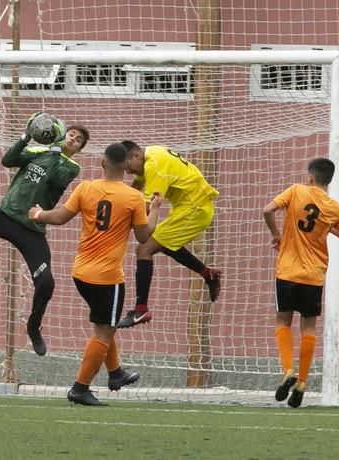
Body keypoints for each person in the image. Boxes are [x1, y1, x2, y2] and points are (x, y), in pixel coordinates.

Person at [29, 143, 160, 406]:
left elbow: (61, 217)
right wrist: (155, 209)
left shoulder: (86, 187)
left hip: (81, 273)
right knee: (104, 332)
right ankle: (80, 388)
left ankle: (115, 373)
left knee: (104, 324)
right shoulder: (133, 198)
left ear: (102, 163)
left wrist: (38, 213)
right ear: (126, 166)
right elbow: (144, 237)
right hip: (108, 277)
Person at [0, 113, 89, 356]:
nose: (73, 139)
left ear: (79, 149)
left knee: (46, 281)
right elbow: (8, 160)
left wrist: (54, 150)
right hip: (5, 214)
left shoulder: (70, 166)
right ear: (62, 133)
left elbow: (53, 179)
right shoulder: (40, 152)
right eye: (71, 134)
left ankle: (33, 326)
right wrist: (26, 136)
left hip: (32, 228)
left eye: (78, 140)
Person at [263, 158, 339, 408]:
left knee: (283, 321)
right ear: (330, 179)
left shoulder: (296, 191)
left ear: (311, 177)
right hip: (313, 275)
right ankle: (302, 382)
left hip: (287, 272)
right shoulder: (333, 208)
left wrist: (276, 234)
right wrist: (329, 229)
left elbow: (267, 210)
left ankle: (287, 370)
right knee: (309, 328)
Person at [116, 141, 221, 328]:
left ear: (136, 157)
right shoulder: (151, 154)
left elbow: (147, 207)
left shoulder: (154, 165)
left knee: (144, 250)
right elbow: (137, 184)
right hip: (189, 208)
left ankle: (141, 310)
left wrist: (119, 220)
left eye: (127, 167)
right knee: (164, 245)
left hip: (195, 211)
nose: (128, 172)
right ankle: (207, 273)